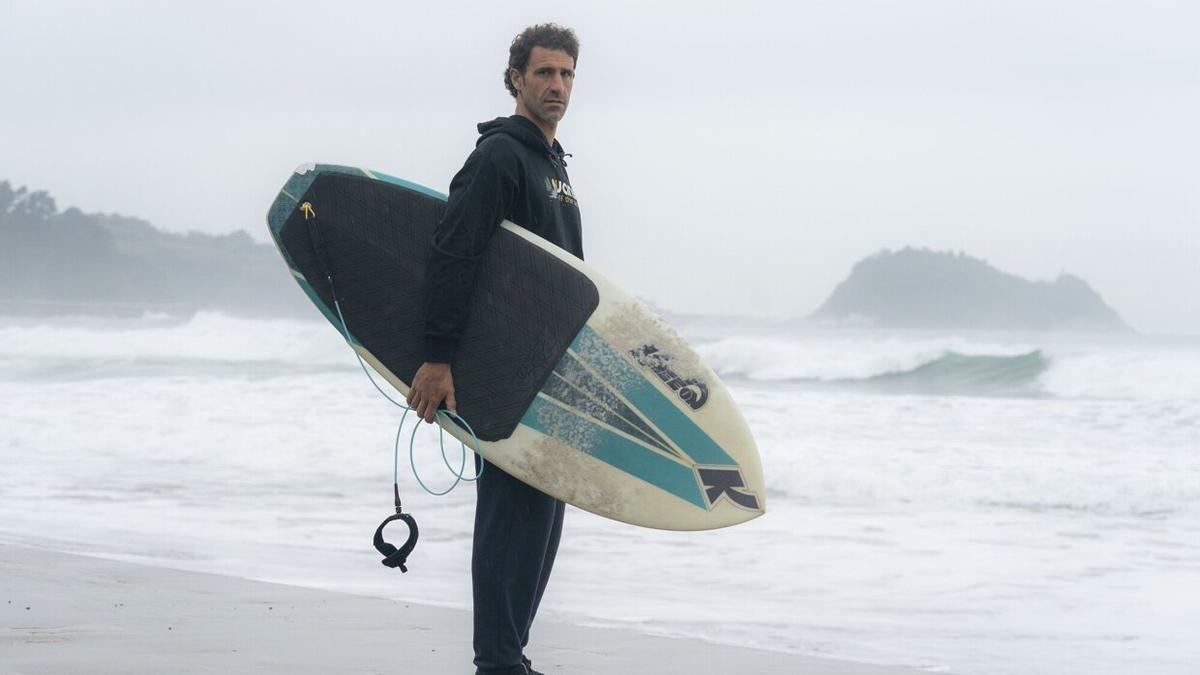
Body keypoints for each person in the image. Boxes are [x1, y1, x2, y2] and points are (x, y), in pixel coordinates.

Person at [405, 23, 582, 675]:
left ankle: (511, 653)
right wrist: (437, 356)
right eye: (544, 73)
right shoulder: (501, 158)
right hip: (502, 370)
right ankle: (497, 660)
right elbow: (454, 251)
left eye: (566, 74)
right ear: (515, 79)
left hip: (546, 367)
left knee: (544, 513)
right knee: (512, 515)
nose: (557, 85)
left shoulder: (554, 166)